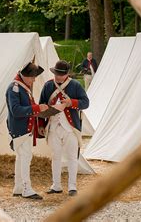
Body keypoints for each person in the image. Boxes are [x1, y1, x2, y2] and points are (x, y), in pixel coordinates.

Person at [38, 60, 89, 197]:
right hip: (53, 127)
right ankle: (56, 186)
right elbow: (41, 105)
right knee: (56, 157)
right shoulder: (48, 85)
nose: (57, 77)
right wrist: (41, 125)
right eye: (56, 74)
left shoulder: (76, 85)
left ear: (66, 74)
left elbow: (86, 103)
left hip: (70, 128)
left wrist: (71, 103)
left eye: (60, 74)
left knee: (72, 157)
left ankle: (72, 187)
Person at [5, 60, 48, 200]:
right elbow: (16, 111)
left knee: (22, 158)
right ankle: (26, 188)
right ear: (25, 75)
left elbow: (28, 107)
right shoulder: (15, 88)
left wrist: (40, 109)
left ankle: (18, 187)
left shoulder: (23, 87)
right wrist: (36, 108)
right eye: (33, 77)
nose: (34, 79)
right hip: (20, 129)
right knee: (25, 158)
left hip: (25, 129)